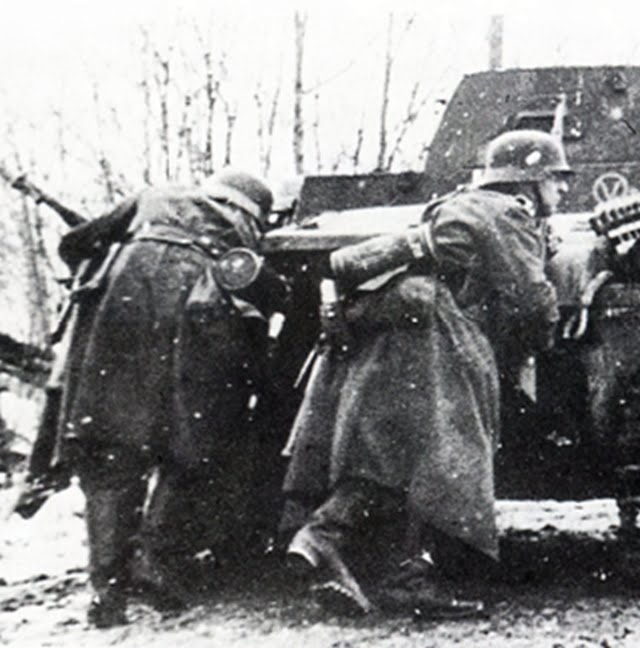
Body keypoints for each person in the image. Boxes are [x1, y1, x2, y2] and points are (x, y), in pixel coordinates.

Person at [281, 129, 569, 619]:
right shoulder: (508, 213)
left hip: (396, 334)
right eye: (556, 178)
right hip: (441, 342)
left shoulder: (457, 206)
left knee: (393, 454)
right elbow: (530, 299)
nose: (562, 189)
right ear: (528, 179)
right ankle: (390, 570)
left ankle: (330, 543)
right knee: (444, 461)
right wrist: (544, 338)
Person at [53, 170, 285, 628]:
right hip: (191, 340)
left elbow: (75, 243)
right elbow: (267, 292)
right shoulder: (245, 237)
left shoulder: (155, 196)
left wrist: (99, 264)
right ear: (252, 211)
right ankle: (153, 563)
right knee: (188, 452)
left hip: (117, 334)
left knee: (110, 459)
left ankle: (107, 591)